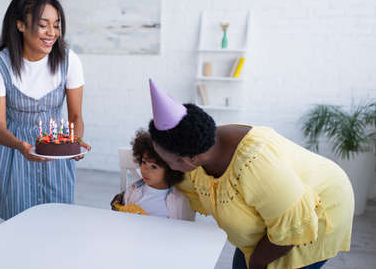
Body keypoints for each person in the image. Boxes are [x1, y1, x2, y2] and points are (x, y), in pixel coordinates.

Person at [147, 79, 354, 269]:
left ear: (190, 159)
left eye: (167, 160)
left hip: (320, 208)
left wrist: (257, 262)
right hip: (279, 205)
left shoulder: (255, 165)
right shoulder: (201, 145)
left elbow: (292, 228)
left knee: (258, 261)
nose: (165, 165)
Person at [0, 0, 89, 220]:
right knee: (18, 226)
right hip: (15, 154)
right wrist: (20, 145)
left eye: (56, 25)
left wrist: (75, 143)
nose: (52, 32)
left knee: (58, 222)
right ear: (20, 24)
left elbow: (75, 115)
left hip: (56, 152)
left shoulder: (69, 60)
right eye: (43, 25)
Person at [111, 129, 195, 221]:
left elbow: (184, 227)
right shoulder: (132, 191)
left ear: (170, 169)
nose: (145, 170)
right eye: (143, 162)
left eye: (154, 167)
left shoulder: (179, 201)